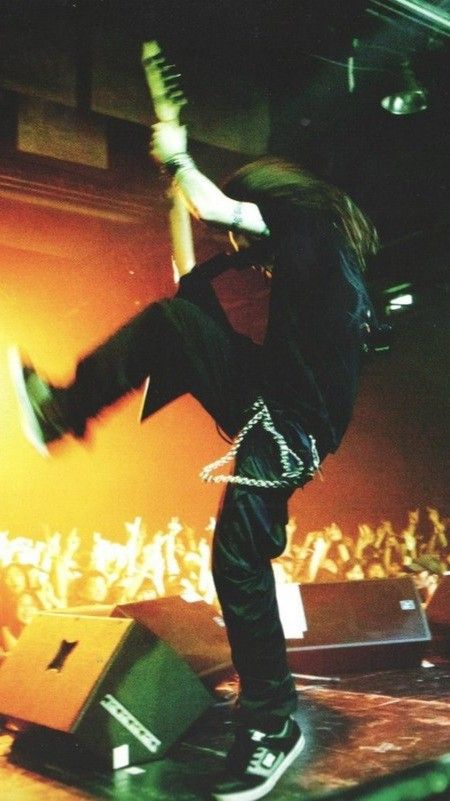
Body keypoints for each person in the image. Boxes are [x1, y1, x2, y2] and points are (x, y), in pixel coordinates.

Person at [9, 121, 379, 801]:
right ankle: (63, 410)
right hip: (266, 397)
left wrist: (182, 157)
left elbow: (219, 209)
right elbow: (188, 280)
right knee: (169, 323)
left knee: (234, 559)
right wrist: (172, 187)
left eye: (246, 239)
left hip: (290, 427)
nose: (242, 252)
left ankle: (271, 725)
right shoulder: (298, 255)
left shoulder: (313, 235)